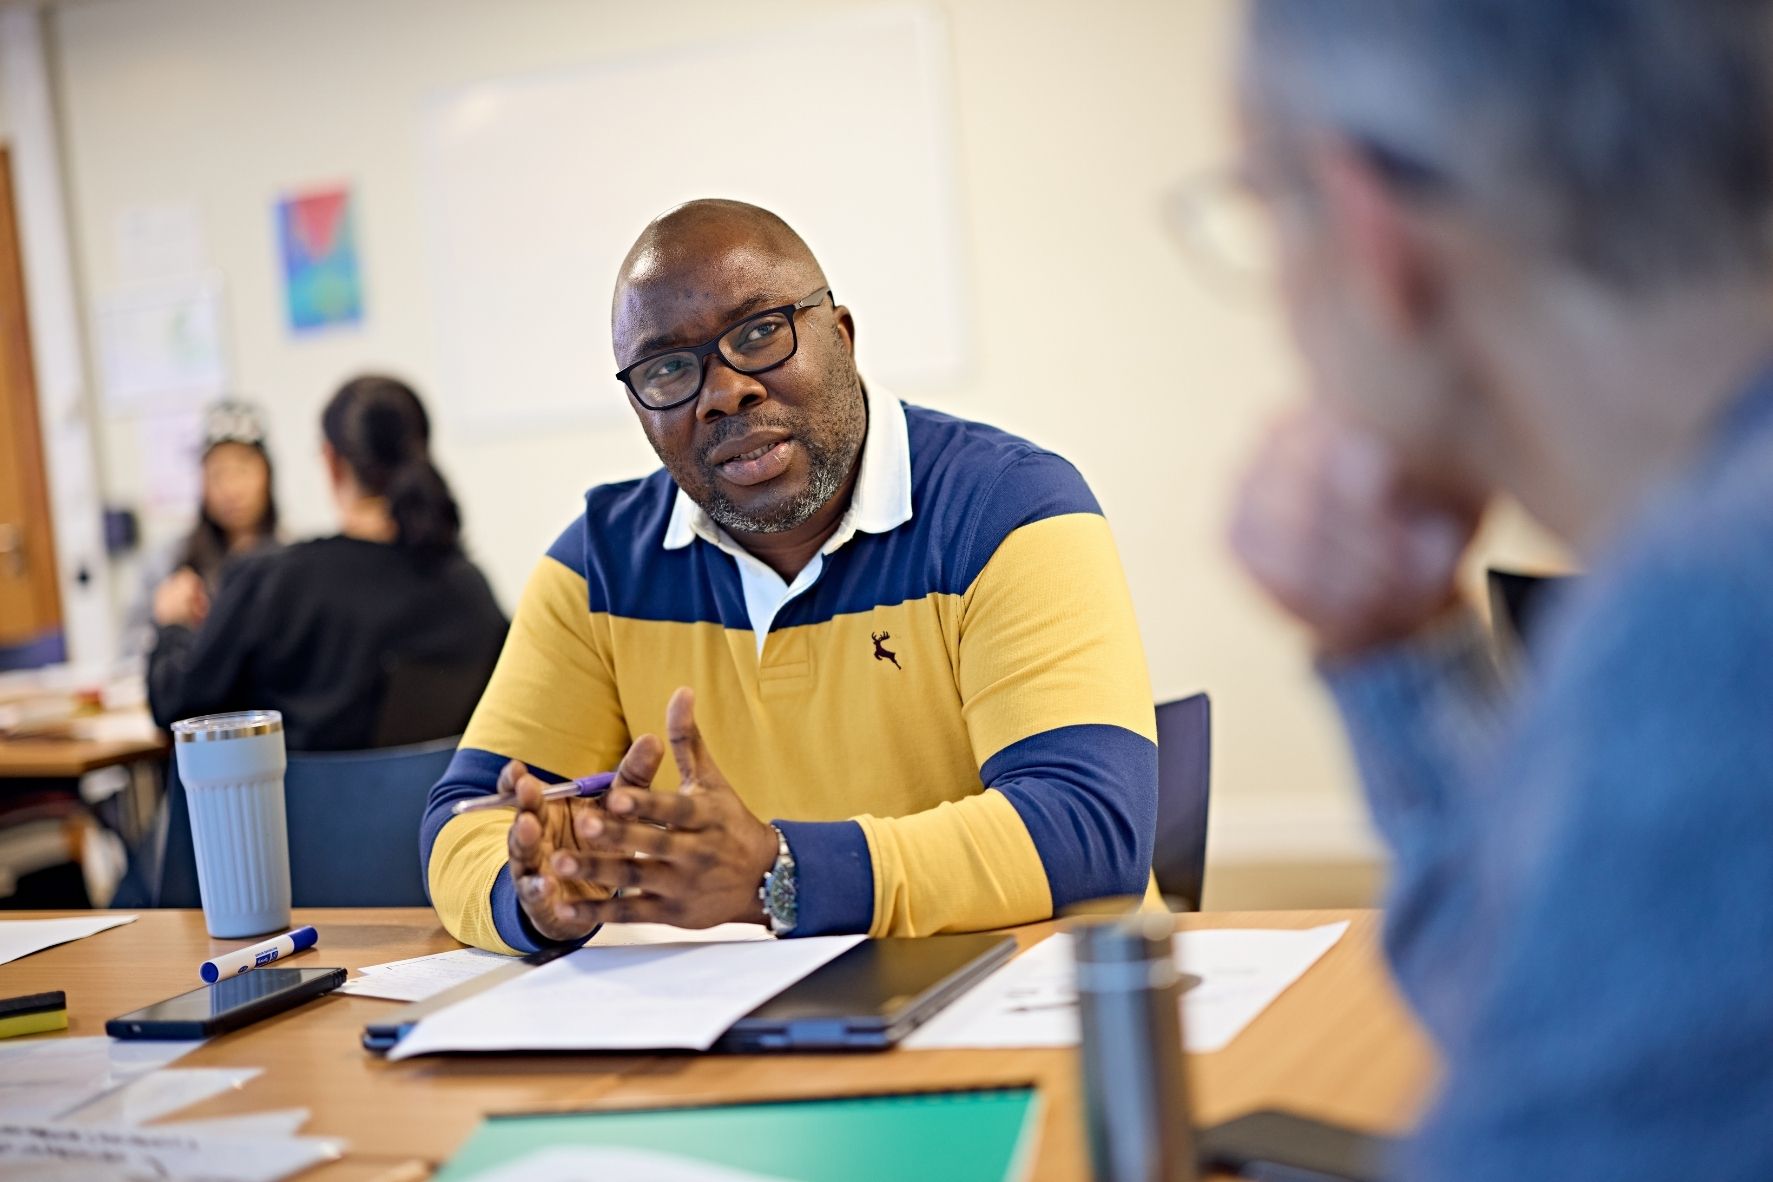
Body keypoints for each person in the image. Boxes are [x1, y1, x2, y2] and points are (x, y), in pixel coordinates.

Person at [1226, 2, 1773, 1178]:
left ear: (1370, 234)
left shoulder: (1708, 626)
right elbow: (1561, 1012)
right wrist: (1397, 649)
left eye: (1259, 212)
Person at [423, 199, 1157, 954]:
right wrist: (539, 895)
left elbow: (1090, 828)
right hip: (741, 1009)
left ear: (841, 337)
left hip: (1027, 994)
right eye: (668, 369)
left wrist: (781, 873)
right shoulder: (597, 568)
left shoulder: (1006, 508)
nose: (724, 393)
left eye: (759, 333)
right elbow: (466, 820)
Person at [149, 375, 507, 751]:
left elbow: (180, 708)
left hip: (296, 793)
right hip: (436, 792)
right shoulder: (469, 589)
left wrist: (172, 627)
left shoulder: (272, 582)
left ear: (332, 461)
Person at [128, 400, 281, 652]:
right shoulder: (170, 562)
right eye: (218, 473)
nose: (231, 489)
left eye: (242, 470)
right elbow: (130, 649)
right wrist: (168, 623)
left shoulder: (295, 558)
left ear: (267, 473)